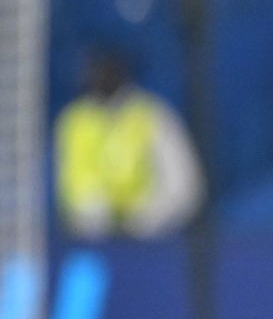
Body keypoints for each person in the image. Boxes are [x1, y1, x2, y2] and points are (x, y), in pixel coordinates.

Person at [54, 50, 203, 240]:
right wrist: (96, 217)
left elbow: (184, 186)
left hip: (150, 237)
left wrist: (147, 217)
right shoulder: (75, 121)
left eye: (108, 71)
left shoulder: (151, 115)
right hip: (90, 236)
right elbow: (73, 186)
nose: (101, 77)